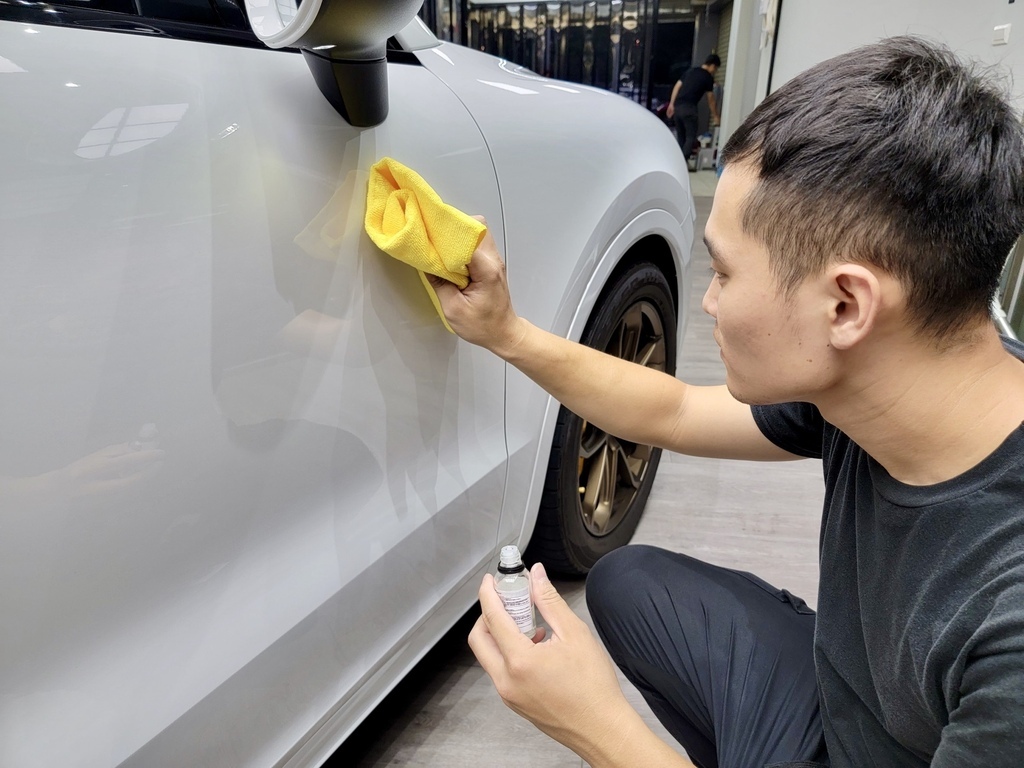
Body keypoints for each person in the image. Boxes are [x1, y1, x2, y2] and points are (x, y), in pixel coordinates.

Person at [427, 36, 1024, 768]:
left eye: (723, 271)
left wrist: (594, 724)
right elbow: (676, 412)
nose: (706, 302)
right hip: (847, 706)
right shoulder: (889, 377)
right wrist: (507, 334)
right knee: (628, 582)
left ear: (846, 305)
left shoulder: (1009, 627)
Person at [667, 54, 721, 169]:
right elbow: (711, 99)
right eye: (715, 69)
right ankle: (681, 163)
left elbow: (677, 86)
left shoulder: (690, 71)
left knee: (681, 137)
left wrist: (671, 104)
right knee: (691, 137)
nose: (714, 72)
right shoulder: (707, 77)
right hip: (689, 109)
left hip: (678, 107)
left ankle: (678, 162)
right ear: (712, 66)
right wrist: (716, 116)